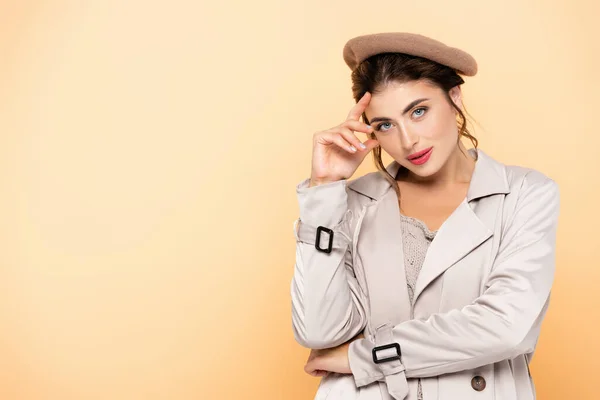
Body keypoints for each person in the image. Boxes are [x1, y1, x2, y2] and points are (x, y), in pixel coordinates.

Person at [290, 32, 560, 400]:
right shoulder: (352, 203)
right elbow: (319, 332)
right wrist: (323, 189)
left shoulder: (525, 194)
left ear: (454, 97)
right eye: (384, 124)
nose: (408, 141)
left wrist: (365, 357)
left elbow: (506, 327)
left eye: (418, 111)